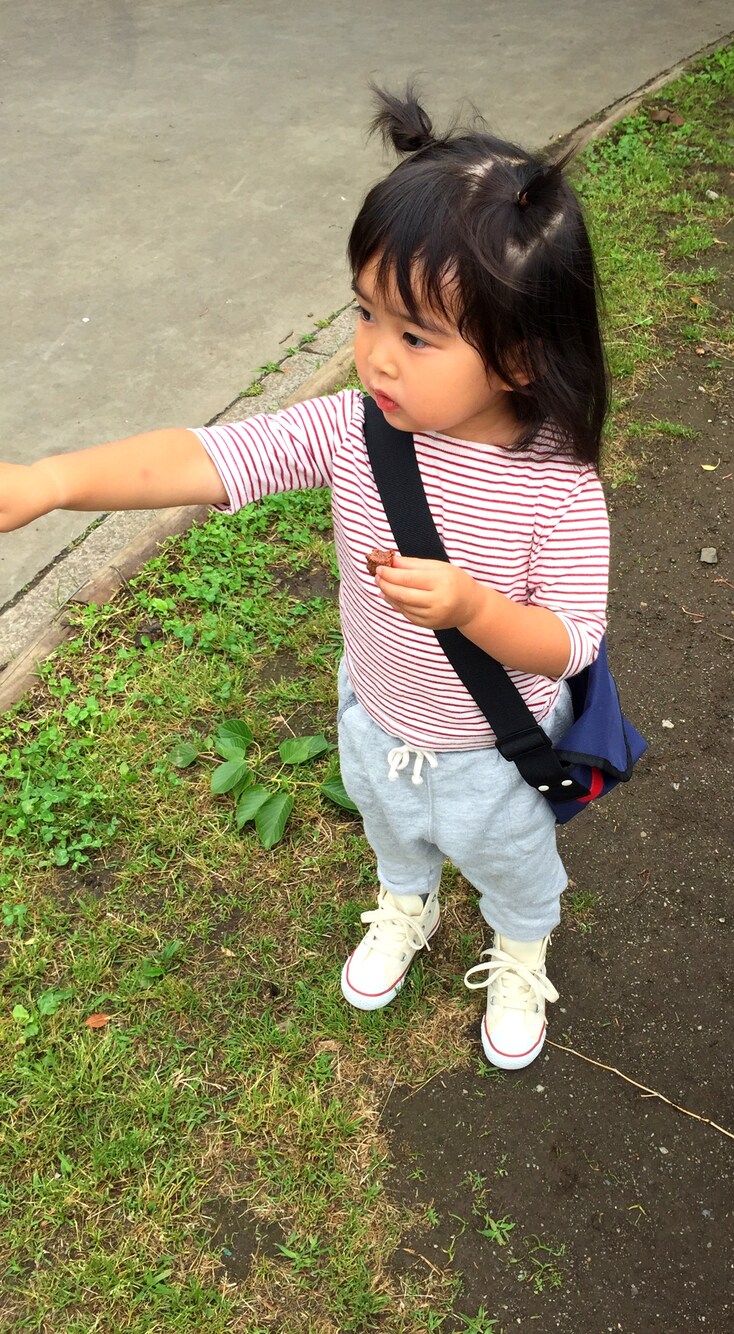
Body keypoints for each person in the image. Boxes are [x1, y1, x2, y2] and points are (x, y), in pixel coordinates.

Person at [0, 88, 611, 1071]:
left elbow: (570, 641)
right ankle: (406, 903)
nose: (373, 354)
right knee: (392, 830)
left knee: (513, 867)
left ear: (518, 355)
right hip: (375, 713)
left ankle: (519, 950)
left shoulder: (558, 489)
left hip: (492, 750)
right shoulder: (353, 430)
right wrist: (51, 481)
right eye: (365, 312)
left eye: (415, 335)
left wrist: (474, 608)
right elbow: (210, 457)